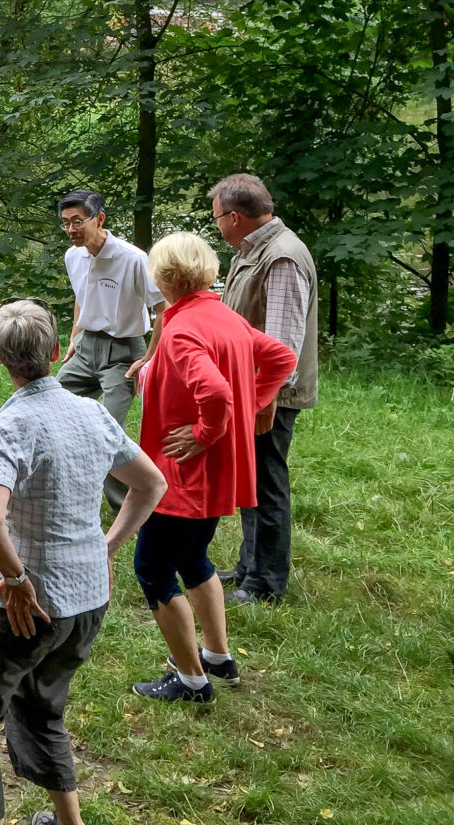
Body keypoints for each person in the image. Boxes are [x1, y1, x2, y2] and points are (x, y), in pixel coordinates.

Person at [0, 300, 165, 825]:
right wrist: (105, 547)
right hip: (86, 600)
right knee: (41, 707)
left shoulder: (8, 427)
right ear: (59, 350)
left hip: (24, 609)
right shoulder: (93, 413)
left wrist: (16, 580)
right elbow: (151, 484)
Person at [129, 233, 295, 704]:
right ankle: (218, 657)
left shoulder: (183, 329)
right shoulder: (225, 316)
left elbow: (217, 393)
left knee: (152, 567)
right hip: (216, 471)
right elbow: (282, 357)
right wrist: (252, 407)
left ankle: (191, 680)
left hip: (185, 472)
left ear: (165, 277)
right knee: (193, 558)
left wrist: (206, 432)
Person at [211, 174, 319, 607]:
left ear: (235, 216)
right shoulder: (253, 250)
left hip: (268, 395)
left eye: (217, 217)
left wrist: (264, 400)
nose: (218, 224)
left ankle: (266, 584)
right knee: (251, 481)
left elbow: (283, 345)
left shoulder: (281, 257)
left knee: (266, 484)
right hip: (252, 390)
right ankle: (249, 567)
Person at [55, 190, 164, 510]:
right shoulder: (73, 256)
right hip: (86, 346)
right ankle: (61, 487)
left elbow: (164, 309)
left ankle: (124, 506)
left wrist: (149, 358)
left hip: (124, 353)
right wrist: (74, 338)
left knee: (108, 430)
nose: (71, 229)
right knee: (50, 405)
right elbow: (81, 297)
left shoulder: (134, 259)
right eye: (65, 223)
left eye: (78, 221)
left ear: (99, 219)